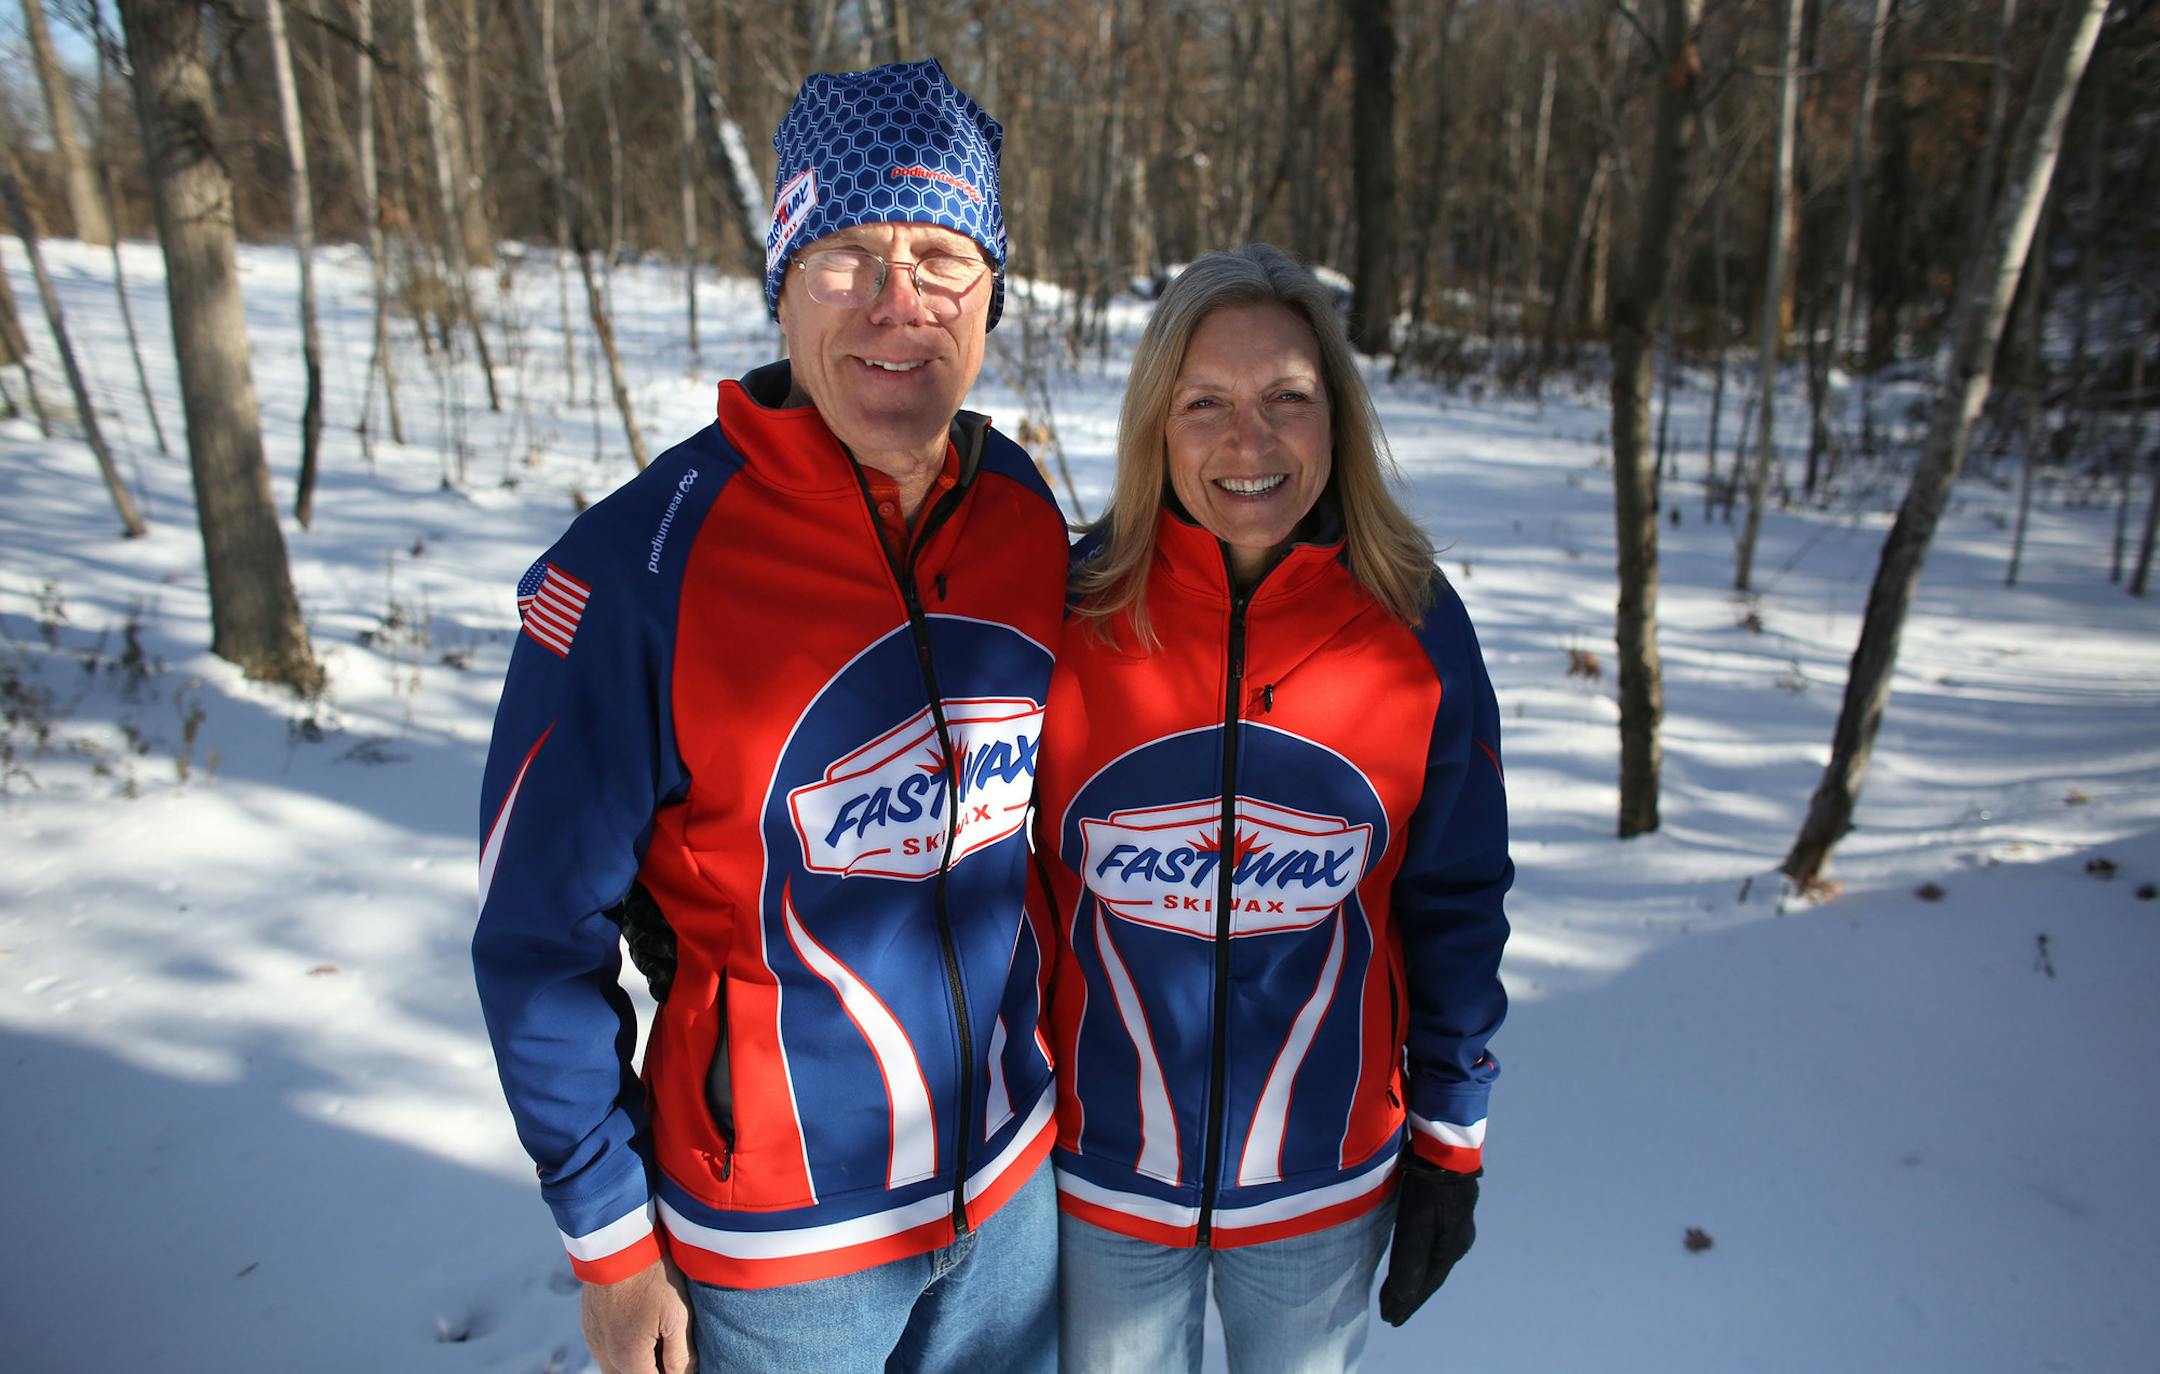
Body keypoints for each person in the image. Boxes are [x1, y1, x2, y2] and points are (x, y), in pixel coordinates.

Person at [474, 59, 1066, 1374]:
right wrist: (614, 1251)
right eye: (849, 254)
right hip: (785, 1249)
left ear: (994, 295)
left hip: (1017, 1188)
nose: (897, 303)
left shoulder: (1024, 514)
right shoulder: (636, 570)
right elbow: (533, 941)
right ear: (784, 282)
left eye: (943, 257)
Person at [1030, 244, 1512, 1373]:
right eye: (1207, 403)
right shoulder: (1068, 611)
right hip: (1101, 1180)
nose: (1249, 442)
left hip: (1323, 1187)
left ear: (1336, 416)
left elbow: (1456, 902)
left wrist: (1452, 1141)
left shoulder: (1417, 627)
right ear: (1157, 422)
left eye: (1287, 398)